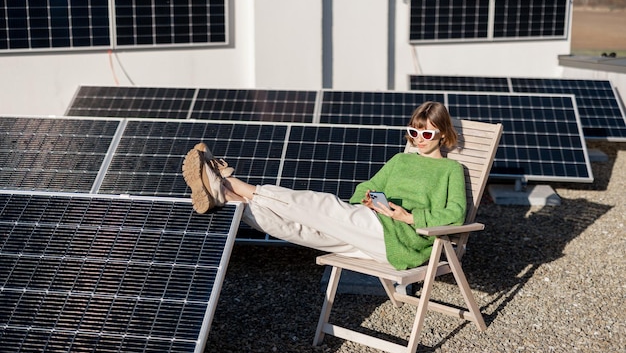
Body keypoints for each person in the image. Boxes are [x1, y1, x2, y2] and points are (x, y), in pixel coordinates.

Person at [182, 101, 466, 270]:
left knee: (325, 206)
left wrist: (408, 217)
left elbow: (455, 214)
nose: (419, 138)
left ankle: (232, 183)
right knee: (302, 232)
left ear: (443, 134)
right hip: (371, 225)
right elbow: (368, 186)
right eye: (414, 132)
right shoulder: (400, 160)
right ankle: (233, 202)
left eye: (427, 132)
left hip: (404, 239)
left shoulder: (450, 169)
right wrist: (367, 199)